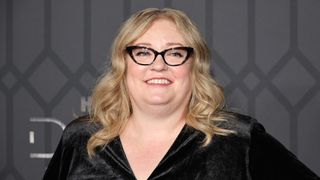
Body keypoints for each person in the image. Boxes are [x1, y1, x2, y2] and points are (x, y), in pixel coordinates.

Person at [43, 8, 319, 180]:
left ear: (194, 67)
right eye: (143, 52)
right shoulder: (81, 140)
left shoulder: (239, 140)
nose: (158, 64)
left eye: (175, 53)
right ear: (122, 64)